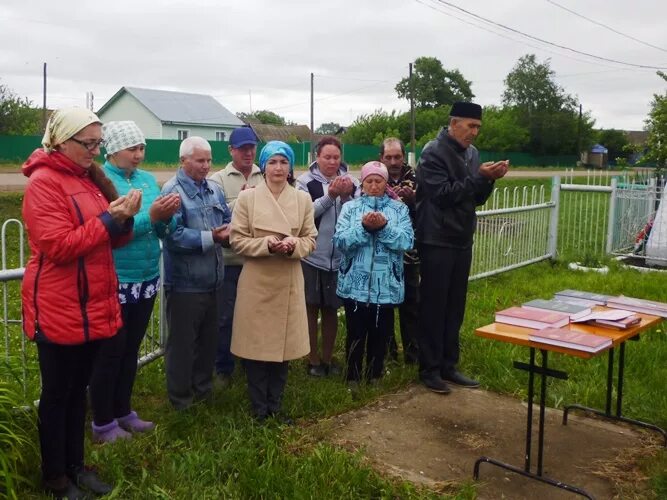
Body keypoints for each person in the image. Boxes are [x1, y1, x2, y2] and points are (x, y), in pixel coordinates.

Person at [21, 107, 140, 498]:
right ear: (60, 141)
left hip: (90, 302)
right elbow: (57, 247)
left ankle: (76, 465)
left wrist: (123, 220)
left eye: (97, 143)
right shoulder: (44, 182)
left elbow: (110, 239)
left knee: (79, 391)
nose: (94, 150)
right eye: (87, 144)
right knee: (58, 393)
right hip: (60, 304)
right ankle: (55, 476)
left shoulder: (87, 179)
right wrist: (109, 219)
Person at [88, 121, 181, 443]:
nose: (140, 155)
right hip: (117, 276)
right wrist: (152, 216)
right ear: (113, 149)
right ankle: (102, 421)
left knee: (130, 350)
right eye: (133, 149)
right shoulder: (101, 181)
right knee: (109, 352)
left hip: (146, 276)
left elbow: (158, 229)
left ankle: (123, 410)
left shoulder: (145, 180)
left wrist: (167, 218)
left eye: (142, 148)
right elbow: (115, 228)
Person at [416, 102, 509, 394]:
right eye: (471, 126)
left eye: (478, 127)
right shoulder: (433, 152)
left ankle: (449, 365)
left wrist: (489, 180)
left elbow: (475, 198)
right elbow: (442, 196)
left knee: (455, 305)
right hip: (436, 240)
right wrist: (479, 177)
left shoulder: (472, 154)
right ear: (454, 123)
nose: (475, 133)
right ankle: (429, 369)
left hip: (461, 239)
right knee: (434, 306)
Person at [230, 141, 317, 422]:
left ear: (291, 167)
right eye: (272, 162)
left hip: (288, 282)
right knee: (256, 349)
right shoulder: (248, 199)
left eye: (283, 162)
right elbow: (236, 240)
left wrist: (294, 245)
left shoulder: (302, 200)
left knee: (283, 350)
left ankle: (275, 406)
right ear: (263, 167)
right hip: (257, 282)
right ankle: (258, 409)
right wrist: (266, 243)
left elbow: (310, 239)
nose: (278, 168)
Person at [161, 137, 231, 410]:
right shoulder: (172, 191)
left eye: (208, 160)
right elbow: (172, 236)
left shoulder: (214, 190)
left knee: (207, 343)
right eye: (200, 160)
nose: (206, 166)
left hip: (213, 280)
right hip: (185, 285)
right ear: (183, 161)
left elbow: (225, 219)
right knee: (182, 346)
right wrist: (211, 237)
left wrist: (227, 233)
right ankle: (181, 400)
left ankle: (203, 391)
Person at [333, 161, 413, 384]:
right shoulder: (351, 208)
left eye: (379, 181)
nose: (374, 185)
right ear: (363, 183)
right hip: (354, 285)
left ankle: (375, 373)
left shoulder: (399, 209)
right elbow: (341, 241)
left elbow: (406, 241)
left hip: (386, 285)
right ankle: (353, 376)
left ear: (386, 183)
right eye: (369, 181)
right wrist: (365, 228)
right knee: (356, 333)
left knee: (381, 333)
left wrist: (384, 227)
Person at [296, 136, 360, 377]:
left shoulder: (352, 182)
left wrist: (345, 197)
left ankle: (327, 357)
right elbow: (303, 215)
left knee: (332, 309)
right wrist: (329, 197)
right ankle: (312, 360)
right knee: (311, 308)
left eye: (336, 157)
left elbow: (358, 214)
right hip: (312, 257)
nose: (332, 162)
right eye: (327, 157)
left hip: (340, 260)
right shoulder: (305, 182)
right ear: (317, 157)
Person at [208, 126, 264, 387]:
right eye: (242, 148)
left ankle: (250, 359)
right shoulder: (217, 180)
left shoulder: (262, 175)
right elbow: (214, 217)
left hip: (256, 260)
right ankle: (223, 366)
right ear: (231, 150)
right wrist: (240, 202)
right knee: (226, 316)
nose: (248, 153)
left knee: (254, 314)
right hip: (230, 260)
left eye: (252, 147)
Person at [379, 137, 419, 365]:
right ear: (381, 158)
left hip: (410, 254)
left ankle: (413, 354)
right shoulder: (374, 177)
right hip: (383, 254)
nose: (393, 162)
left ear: (404, 157)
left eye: (397, 157)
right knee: (384, 305)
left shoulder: (416, 179)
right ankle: (388, 354)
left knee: (411, 305)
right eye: (388, 157)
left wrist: (414, 201)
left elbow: (429, 209)